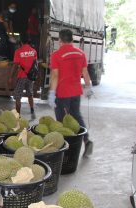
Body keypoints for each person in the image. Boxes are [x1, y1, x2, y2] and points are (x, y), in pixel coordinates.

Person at [48, 29, 94, 157]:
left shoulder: (56, 55)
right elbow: (85, 73)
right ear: (72, 39)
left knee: (62, 121)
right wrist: (88, 88)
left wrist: (52, 93)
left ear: (60, 40)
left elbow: (55, 76)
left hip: (62, 93)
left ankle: (66, 151)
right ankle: (86, 140)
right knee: (76, 116)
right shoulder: (81, 53)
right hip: (76, 92)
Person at [11, 34, 37, 116]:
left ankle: (18, 114)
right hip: (30, 76)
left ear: (21, 41)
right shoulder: (34, 51)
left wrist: (11, 77)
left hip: (22, 76)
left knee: (18, 96)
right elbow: (35, 64)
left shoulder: (18, 51)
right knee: (30, 93)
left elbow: (15, 66)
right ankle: (32, 109)